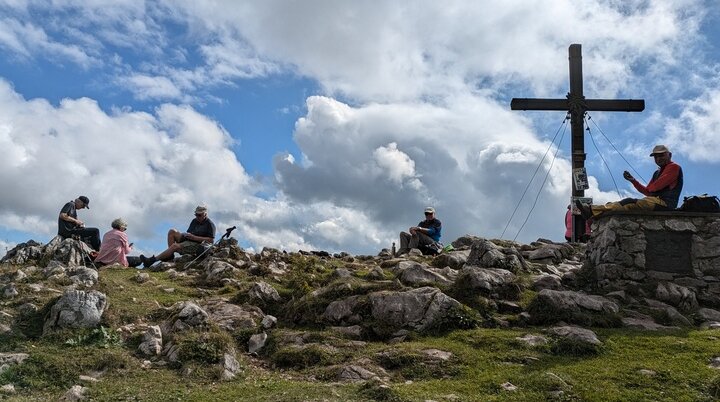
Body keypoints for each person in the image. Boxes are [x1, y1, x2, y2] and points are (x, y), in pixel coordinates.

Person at [576, 144, 683, 219]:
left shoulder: (674, 167)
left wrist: (651, 189)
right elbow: (648, 191)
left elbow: (655, 187)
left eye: (661, 155)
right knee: (623, 204)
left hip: (665, 204)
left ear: (670, 155)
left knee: (628, 203)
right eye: (656, 156)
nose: (658, 158)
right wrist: (633, 181)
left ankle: (591, 211)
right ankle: (593, 212)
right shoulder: (657, 172)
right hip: (655, 201)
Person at [140, 205, 216, 268]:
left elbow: (211, 240)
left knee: (174, 246)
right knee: (172, 231)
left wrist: (195, 237)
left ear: (205, 214)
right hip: (188, 240)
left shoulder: (210, 224)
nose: (197, 217)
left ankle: (151, 261)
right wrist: (186, 235)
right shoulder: (194, 221)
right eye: (196, 214)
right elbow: (190, 232)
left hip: (197, 244)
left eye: (199, 215)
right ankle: (170, 256)